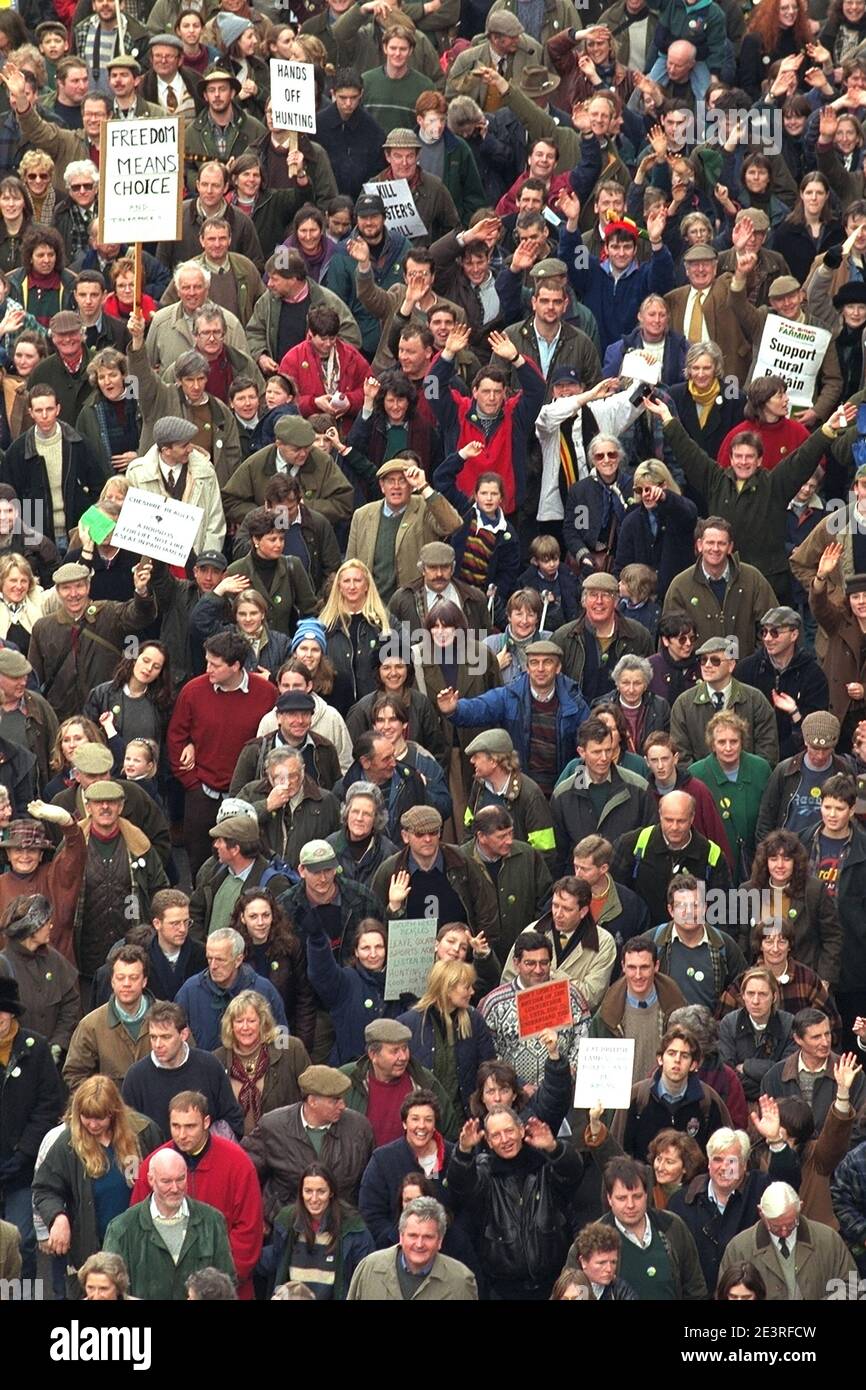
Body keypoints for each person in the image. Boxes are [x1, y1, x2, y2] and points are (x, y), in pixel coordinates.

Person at [31, 1075, 162, 1299]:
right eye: (86, 1117)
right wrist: (57, 1217)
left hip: (139, 1246)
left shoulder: (144, 1132)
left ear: (114, 1112)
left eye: (99, 1118)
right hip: (89, 1250)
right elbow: (44, 1188)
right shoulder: (68, 1143)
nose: (92, 1125)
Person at [129, 1089, 262, 1300]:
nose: (182, 1134)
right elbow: (137, 1224)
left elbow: (249, 1229)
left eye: (190, 1126)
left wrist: (222, 1282)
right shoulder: (152, 1165)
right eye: (175, 1126)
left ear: (206, 1122)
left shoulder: (238, 1164)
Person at [446, 1107, 585, 1301]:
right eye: (496, 1135)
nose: (505, 1139)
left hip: (554, 1285)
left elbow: (573, 1172)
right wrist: (463, 1152)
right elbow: (460, 1185)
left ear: (521, 1131)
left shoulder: (545, 1166)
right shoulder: (484, 1173)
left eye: (509, 1131)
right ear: (489, 1142)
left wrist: (554, 1147)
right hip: (502, 1290)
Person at [27, 558, 157, 725]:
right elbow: (33, 680)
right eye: (66, 588)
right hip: (60, 719)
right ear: (57, 591)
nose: (73, 594)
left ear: (88, 587)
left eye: (79, 586)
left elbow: (140, 616)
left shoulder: (108, 612)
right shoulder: (43, 627)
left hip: (105, 715)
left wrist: (141, 592)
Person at [241, 1063, 374, 1220]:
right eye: (335, 1101)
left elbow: (370, 1183)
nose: (343, 1106)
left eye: (343, 1099)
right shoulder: (273, 1127)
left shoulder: (359, 1128)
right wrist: (258, 1216)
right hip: (288, 1225)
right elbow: (244, 1173)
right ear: (312, 1101)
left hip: (341, 1224)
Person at [103, 1146, 235, 1301]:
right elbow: (109, 1289)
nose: (175, 1188)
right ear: (151, 1180)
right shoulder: (121, 1229)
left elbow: (226, 1284)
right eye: (166, 1181)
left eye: (180, 1179)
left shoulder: (212, 1221)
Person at [0, 976, 66, 1279]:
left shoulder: (35, 1048)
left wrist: (24, 1152)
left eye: (2, 1011)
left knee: (22, 1240)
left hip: (22, 1169)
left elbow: (49, 1104)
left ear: (12, 1013)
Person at [121, 999, 244, 1140]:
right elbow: (127, 1131)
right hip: (156, 1159)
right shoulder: (136, 1076)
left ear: (183, 1035)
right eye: (153, 1037)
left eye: (165, 1037)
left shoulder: (209, 1066)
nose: (158, 1044)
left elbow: (232, 1118)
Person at [479, 931, 590, 1086]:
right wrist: (517, 1085)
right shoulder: (495, 1003)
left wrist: (568, 1072)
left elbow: (583, 1040)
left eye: (544, 963)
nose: (538, 970)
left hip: (562, 1093)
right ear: (516, 963)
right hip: (513, 1099)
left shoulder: (571, 996)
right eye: (530, 963)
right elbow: (488, 1054)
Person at [717, 1180, 856, 1300]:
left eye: (790, 1224)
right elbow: (723, 1294)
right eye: (775, 1226)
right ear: (761, 1213)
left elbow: (853, 1288)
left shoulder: (828, 1240)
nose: (784, 1232)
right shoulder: (739, 1248)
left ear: (800, 1207)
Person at [596, 1153, 708, 1300]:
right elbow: (574, 1288)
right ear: (610, 1199)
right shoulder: (594, 1239)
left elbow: (695, 1289)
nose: (630, 1205)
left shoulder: (673, 1226)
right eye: (622, 1198)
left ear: (647, 1195)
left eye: (637, 1196)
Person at [396, 960, 496, 1118]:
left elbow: (489, 1066)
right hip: (421, 1118)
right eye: (466, 987)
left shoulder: (474, 1020)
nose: (472, 992)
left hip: (463, 1118)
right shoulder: (407, 1024)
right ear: (447, 989)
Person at [358, 1089, 456, 1248]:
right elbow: (371, 1213)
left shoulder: (453, 1156)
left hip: (448, 1250)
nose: (421, 1126)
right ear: (404, 1123)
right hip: (396, 1251)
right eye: (415, 1119)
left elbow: (466, 1206)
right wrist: (402, 1241)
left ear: (435, 1123)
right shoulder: (383, 1159)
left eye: (428, 1119)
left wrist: (448, 1240)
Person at [339, 1017, 460, 1146]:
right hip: (361, 1165)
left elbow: (449, 1131)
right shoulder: (346, 1079)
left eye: (405, 1048)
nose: (403, 1057)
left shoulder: (423, 1080)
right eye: (395, 1051)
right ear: (373, 1054)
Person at [502, 876, 617, 1010]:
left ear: (583, 911)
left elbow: (590, 997)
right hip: (528, 1015)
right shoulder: (533, 931)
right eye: (555, 905)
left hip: (576, 1024)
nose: (558, 914)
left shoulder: (604, 943)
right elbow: (508, 981)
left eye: (567, 909)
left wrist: (550, 974)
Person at [588, 935, 688, 1087]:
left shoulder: (678, 1010)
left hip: (667, 1100)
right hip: (622, 1105)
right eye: (632, 967)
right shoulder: (606, 1016)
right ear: (623, 966)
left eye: (644, 967)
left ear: (656, 966)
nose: (638, 975)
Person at [735, 604, 829, 760]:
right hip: (750, 757)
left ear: (794, 635)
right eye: (764, 632)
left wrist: (794, 712)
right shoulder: (746, 669)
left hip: (796, 758)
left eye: (775, 632)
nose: (767, 638)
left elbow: (816, 728)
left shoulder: (813, 675)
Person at [271, 1160, 375, 1299]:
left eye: (321, 1191)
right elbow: (275, 1260)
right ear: (301, 1192)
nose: (314, 1199)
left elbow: (366, 1278)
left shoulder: (353, 1228)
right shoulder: (286, 1222)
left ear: (331, 1192)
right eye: (308, 1191)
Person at [214, 989, 311, 1136]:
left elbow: (311, 1094)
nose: (245, 1027)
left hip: (285, 1144)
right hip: (237, 1147)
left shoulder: (291, 1049)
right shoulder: (217, 1059)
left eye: (251, 1021)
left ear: (263, 1023)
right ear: (231, 1026)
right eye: (239, 1021)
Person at [175, 926, 288, 1052]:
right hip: (205, 1069)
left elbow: (281, 1039)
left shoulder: (264, 990)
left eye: (220, 960)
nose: (213, 966)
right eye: (209, 958)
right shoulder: (190, 991)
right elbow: (175, 1038)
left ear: (238, 960)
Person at [346, 1194, 477, 1300]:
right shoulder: (369, 1268)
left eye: (428, 1237)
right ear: (401, 1237)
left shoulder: (460, 1282)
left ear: (440, 1240)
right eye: (413, 1235)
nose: (419, 1244)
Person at [0, 894, 79, 1059]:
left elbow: (71, 1003)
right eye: (45, 922)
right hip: (16, 1061)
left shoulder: (54, 959)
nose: (50, 926)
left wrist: (58, 1043)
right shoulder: (3, 965)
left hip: (52, 1063)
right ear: (31, 928)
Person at [762, 1006, 866, 1130]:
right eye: (816, 1037)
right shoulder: (775, 1076)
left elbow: (861, 1125)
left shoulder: (850, 1071)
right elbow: (769, 1124)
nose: (825, 1042)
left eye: (827, 1034)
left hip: (841, 1149)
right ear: (798, 1039)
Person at [718, 967, 798, 1101]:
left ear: (774, 996)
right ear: (743, 995)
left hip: (780, 1103)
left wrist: (747, 1066)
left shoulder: (789, 1024)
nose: (755, 1001)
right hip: (739, 1099)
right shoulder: (729, 1023)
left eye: (762, 994)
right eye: (750, 993)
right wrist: (768, 1084)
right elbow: (728, 1074)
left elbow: (786, 1072)